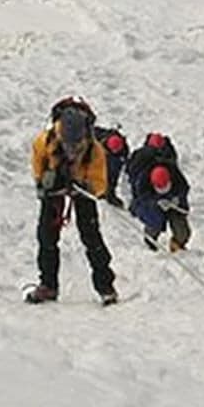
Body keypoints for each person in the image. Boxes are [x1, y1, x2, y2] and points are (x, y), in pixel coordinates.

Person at [26, 96, 119, 305]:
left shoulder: (95, 151)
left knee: (91, 237)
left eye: (77, 146)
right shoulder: (44, 142)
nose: (72, 151)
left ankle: (106, 287)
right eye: (68, 145)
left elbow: (100, 183)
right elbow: (38, 166)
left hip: (82, 188)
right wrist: (43, 183)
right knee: (46, 236)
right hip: (54, 188)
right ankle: (48, 285)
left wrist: (86, 187)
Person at [125, 132, 191, 252]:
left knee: (183, 231)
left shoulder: (174, 172)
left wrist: (177, 198)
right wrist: (155, 202)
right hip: (152, 208)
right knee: (154, 226)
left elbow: (184, 187)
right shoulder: (142, 180)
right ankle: (150, 244)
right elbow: (141, 198)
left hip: (174, 204)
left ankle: (177, 245)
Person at [93, 125, 130, 208]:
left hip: (109, 158)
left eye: (118, 150)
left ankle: (109, 192)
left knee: (113, 171)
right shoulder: (97, 141)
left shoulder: (123, 148)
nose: (117, 151)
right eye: (115, 150)